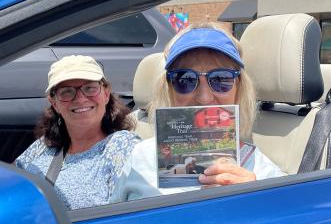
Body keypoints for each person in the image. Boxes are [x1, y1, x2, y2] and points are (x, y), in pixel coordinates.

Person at [113, 24, 284, 201]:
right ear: (169, 89)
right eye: (185, 79)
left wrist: (256, 202)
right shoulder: (140, 158)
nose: (204, 97)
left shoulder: (263, 174)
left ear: (238, 88)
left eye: (221, 79)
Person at [16, 55, 140, 210]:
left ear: (106, 94)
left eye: (90, 88)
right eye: (67, 92)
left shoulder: (121, 146)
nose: (81, 99)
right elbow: (9, 184)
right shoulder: (43, 146)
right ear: (54, 103)